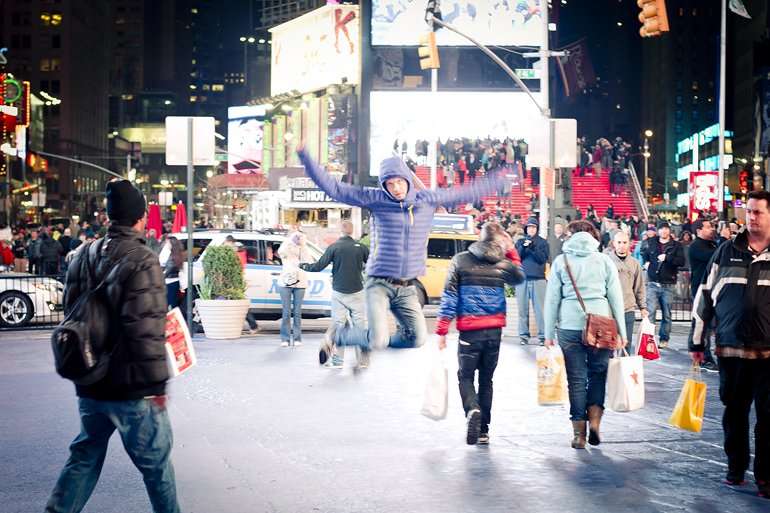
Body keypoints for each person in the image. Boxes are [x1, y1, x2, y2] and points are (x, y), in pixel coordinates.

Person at [45, 180, 180, 513]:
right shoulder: (144, 260)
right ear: (141, 217)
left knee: (85, 456)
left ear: (109, 215)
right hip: (132, 389)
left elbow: (73, 313)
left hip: (90, 381)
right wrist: (157, 386)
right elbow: (145, 332)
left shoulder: (82, 255)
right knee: (156, 467)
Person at [297, 147, 505, 361]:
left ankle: (367, 338)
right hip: (379, 284)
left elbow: (464, 192)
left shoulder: (427, 199)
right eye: (390, 183)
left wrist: (500, 180)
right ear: (383, 185)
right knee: (378, 340)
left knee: (416, 339)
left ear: (407, 180)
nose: (395, 188)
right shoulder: (375, 199)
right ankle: (339, 335)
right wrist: (305, 155)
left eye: (399, 182)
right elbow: (335, 189)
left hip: (407, 288)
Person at [689, 190, 770, 499]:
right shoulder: (725, 251)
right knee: (734, 415)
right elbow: (704, 297)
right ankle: (735, 469)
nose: (751, 217)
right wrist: (696, 341)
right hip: (731, 351)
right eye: (748, 212)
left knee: (768, 420)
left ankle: (765, 478)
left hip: (768, 355)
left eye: (758, 212)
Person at [435, 223, 524, 445]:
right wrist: (511, 250)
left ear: (480, 237)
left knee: (465, 376)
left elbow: (449, 296)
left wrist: (442, 329)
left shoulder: (461, 260)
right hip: (494, 331)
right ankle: (483, 429)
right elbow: (519, 277)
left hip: (469, 331)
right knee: (487, 379)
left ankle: (472, 409)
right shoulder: (503, 263)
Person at [544, 220, 628, 449]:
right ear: (593, 237)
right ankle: (595, 424)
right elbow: (616, 297)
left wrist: (548, 332)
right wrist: (621, 329)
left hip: (570, 326)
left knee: (577, 379)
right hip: (602, 324)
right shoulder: (604, 260)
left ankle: (578, 434)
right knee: (598, 374)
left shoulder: (562, 261)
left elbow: (552, 299)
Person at [302, 220, 369, 368]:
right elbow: (372, 266)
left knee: (340, 326)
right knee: (360, 327)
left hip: (339, 292)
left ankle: (338, 361)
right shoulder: (361, 248)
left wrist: (303, 266)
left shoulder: (334, 247)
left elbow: (318, 266)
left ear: (341, 231)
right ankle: (363, 361)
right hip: (358, 291)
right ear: (352, 231)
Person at [641, 221, 685, 349]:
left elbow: (681, 261)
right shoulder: (652, 242)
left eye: (666, 229)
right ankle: (649, 339)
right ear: (658, 230)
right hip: (653, 283)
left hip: (668, 284)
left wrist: (667, 258)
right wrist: (646, 262)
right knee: (650, 313)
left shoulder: (676, 245)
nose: (664, 231)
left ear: (669, 231)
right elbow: (645, 254)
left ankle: (664, 338)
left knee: (666, 314)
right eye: (661, 229)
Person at [607, 230, 647, 352]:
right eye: (619, 242)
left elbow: (639, 286)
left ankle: (623, 371)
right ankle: (607, 370)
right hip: (609, 310)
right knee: (608, 345)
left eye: (624, 242)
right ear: (614, 243)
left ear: (629, 244)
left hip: (628, 309)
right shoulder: (607, 262)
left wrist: (642, 307)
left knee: (626, 344)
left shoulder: (634, 263)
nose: (622, 245)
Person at [688, 218, 718, 371]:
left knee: (708, 324)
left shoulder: (711, 244)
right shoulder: (696, 246)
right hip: (701, 290)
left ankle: (697, 350)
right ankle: (703, 357)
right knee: (702, 324)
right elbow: (714, 257)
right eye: (708, 227)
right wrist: (725, 239)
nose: (711, 229)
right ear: (699, 230)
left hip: (713, 289)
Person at [514, 217, 549, 345]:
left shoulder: (542, 242)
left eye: (533, 227)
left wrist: (533, 247)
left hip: (538, 279)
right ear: (526, 228)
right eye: (529, 227)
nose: (531, 229)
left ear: (537, 228)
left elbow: (542, 259)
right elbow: (517, 257)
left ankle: (542, 336)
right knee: (522, 310)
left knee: (540, 310)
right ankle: (523, 335)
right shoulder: (520, 241)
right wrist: (524, 247)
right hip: (522, 279)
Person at [277, 230, 311, 347]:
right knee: (286, 312)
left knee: (297, 312)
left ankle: (297, 338)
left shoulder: (303, 248)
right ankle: (285, 339)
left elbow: (308, 261)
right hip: (285, 283)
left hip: (300, 283)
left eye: (299, 237)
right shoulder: (286, 247)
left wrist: (303, 244)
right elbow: (281, 252)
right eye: (296, 237)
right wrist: (290, 240)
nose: (297, 239)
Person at [164, 236, 185, 310]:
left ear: (172, 244)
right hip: (175, 281)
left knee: (170, 305)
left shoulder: (172, 255)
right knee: (173, 304)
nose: (166, 244)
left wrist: (161, 276)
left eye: (167, 243)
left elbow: (169, 269)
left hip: (169, 282)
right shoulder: (177, 254)